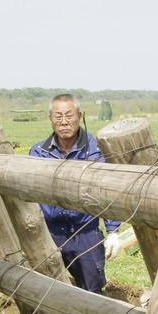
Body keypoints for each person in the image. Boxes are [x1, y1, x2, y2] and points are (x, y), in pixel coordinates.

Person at [28, 94, 122, 295]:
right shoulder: (39, 152)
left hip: (85, 233)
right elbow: (29, 194)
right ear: (50, 119)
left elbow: (107, 190)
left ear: (80, 116)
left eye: (69, 115)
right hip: (50, 233)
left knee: (92, 292)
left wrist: (113, 231)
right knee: (46, 290)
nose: (64, 122)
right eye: (58, 116)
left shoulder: (96, 150)